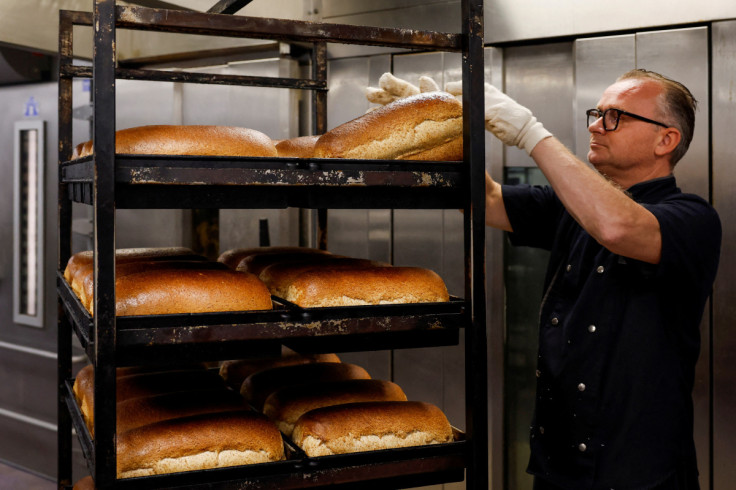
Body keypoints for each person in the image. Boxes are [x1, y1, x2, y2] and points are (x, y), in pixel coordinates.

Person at [368, 69, 721, 490]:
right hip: (560, 460)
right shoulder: (571, 205)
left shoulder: (693, 219)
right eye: (597, 113)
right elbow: (489, 201)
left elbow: (618, 227)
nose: (595, 124)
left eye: (616, 117)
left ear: (666, 140)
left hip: (640, 467)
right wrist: (444, 131)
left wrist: (530, 133)